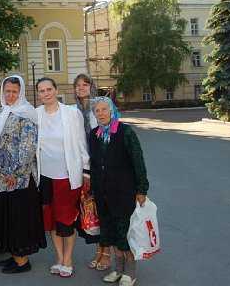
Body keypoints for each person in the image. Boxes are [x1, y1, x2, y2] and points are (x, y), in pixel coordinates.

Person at [0, 76, 46, 274]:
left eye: (14, 91)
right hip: (1, 177)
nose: (10, 95)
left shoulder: (26, 113)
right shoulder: (1, 112)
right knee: (7, 216)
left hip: (19, 178)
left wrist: (15, 172)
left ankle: (23, 261)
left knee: (19, 218)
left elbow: (28, 147)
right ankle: (14, 254)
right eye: (7, 91)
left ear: (21, 92)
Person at [89, 97, 149, 286]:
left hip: (123, 192)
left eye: (104, 109)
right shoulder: (94, 134)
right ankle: (118, 268)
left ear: (112, 110)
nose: (101, 113)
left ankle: (130, 271)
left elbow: (138, 161)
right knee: (112, 232)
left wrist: (141, 189)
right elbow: (94, 165)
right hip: (103, 193)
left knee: (125, 233)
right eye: (97, 110)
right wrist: (93, 189)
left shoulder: (125, 132)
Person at [35, 77, 90, 278]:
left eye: (49, 89)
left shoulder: (71, 113)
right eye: (42, 91)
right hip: (45, 176)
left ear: (56, 90)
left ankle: (68, 259)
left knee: (66, 219)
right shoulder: (36, 114)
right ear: (38, 94)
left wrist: (86, 169)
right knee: (51, 220)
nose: (46, 93)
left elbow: (81, 142)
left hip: (67, 176)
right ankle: (59, 257)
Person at [73, 73, 109, 271]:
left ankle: (106, 254)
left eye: (85, 84)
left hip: (101, 165)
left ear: (91, 86)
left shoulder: (99, 106)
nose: (81, 88)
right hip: (83, 166)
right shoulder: (74, 110)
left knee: (104, 210)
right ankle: (98, 251)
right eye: (78, 85)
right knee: (92, 211)